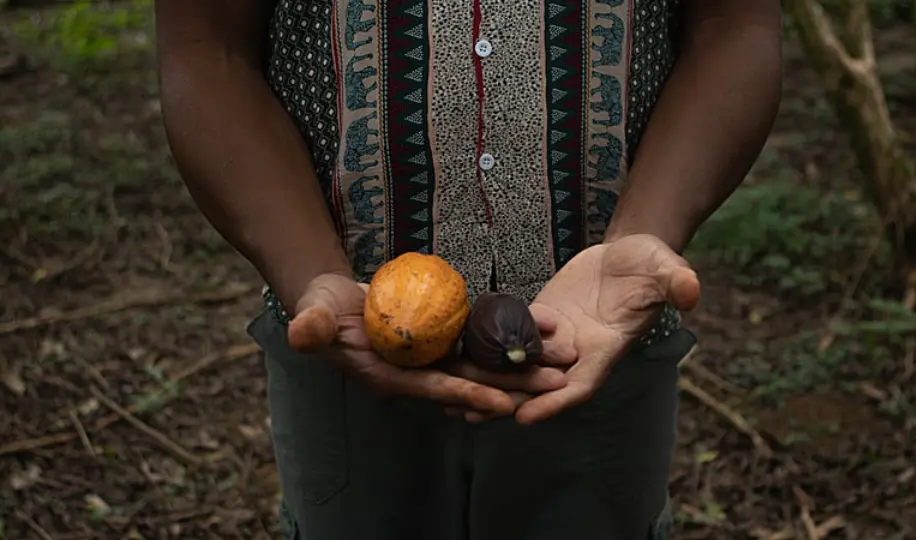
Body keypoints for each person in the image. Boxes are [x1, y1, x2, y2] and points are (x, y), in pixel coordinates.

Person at [154, 0, 782, 538]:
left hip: (604, 346)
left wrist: (646, 233)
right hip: (342, 348)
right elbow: (208, 48)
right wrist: (310, 271)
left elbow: (733, 26)